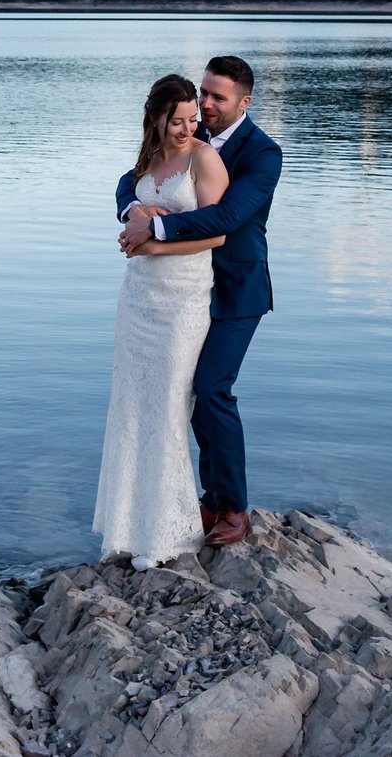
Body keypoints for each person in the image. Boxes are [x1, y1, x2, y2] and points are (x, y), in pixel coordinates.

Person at [114, 55, 283, 550]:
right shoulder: (190, 132)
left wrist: (155, 230)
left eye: (217, 97)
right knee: (180, 391)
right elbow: (134, 176)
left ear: (244, 102)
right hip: (178, 292)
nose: (205, 104)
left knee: (212, 390)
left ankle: (234, 508)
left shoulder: (262, 154)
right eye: (203, 93)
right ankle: (204, 497)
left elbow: (227, 217)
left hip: (235, 290)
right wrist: (134, 207)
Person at [93, 73, 229, 566]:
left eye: (193, 119)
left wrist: (152, 242)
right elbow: (126, 195)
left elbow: (216, 236)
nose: (188, 128)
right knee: (131, 405)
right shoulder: (147, 161)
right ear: (156, 117)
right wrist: (133, 209)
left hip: (182, 300)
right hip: (138, 299)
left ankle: (166, 535)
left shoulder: (204, 158)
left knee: (169, 406)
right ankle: (125, 529)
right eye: (178, 120)